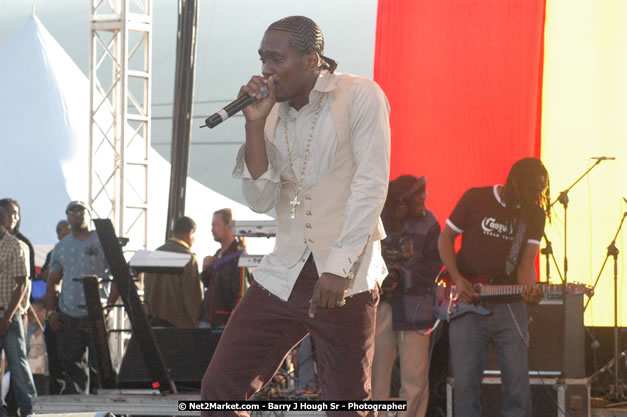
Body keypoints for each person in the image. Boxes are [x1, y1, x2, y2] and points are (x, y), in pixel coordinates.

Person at [200, 16, 390, 416]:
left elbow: (370, 187)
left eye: (276, 58)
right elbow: (260, 197)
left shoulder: (360, 95)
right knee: (220, 389)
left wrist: (339, 267)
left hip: (345, 273)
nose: (266, 69)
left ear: (311, 59)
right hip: (284, 269)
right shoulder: (268, 112)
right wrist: (253, 126)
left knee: (347, 404)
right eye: (262, 59)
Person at [437, 157, 549, 417]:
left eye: (541, 190)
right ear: (516, 183)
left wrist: (529, 290)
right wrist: (458, 278)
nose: (538, 195)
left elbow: (525, 265)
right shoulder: (476, 198)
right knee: (465, 387)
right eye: (533, 188)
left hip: (509, 307)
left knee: (518, 386)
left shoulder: (534, 213)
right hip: (466, 303)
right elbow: (445, 239)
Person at [371, 175, 442, 417]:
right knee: (374, 374)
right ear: (401, 201)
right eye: (418, 195)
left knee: (414, 377)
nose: (424, 198)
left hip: (415, 308)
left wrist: (404, 276)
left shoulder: (429, 222)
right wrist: (382, 278)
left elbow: (436, 263)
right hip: (380, 306)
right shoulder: (376, 219)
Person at [44, 200, 119, 394]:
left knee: (102, 369)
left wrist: (109, 307)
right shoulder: (61, 247)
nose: (77, 214)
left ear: (88, 214)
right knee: (72, 366)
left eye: (81, 211)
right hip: (69, 314)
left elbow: (120, 276)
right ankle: (79, 410)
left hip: (97, 313)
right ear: (68, 216)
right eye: (72, 211)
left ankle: (105, 409)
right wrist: (52, 313)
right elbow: (52, 281)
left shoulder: (102, 241)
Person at [0, 206, 37, 417]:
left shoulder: (16, 246)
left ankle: (31, 409)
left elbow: (22, 285)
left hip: (9, 313)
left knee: (18, 364)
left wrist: (6, 317)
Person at [143, 216, 203, 328]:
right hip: (179, 328)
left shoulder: (153, 255)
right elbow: (192, 298)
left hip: (154, 325)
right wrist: (198, 324)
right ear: (190, 233)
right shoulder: (188, 258)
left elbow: (147, 290)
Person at [199, 209, 248, 328]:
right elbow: (207, 284)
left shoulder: (239, 257)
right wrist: (205, 269)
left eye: (215, 225)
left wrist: (233, 323)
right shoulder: (218, 255)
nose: (212, 229)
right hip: (208, 320)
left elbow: (241, 294)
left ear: (228, 227)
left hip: (224, 323)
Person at [40, 219, 71, 395]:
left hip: (73, 311)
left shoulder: (78, 251)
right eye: (58, 231)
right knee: (54, 357)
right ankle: (55, 394)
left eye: (64, 231)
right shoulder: (54, 252)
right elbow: (45, 276)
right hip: (55, 310)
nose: (61, 234)